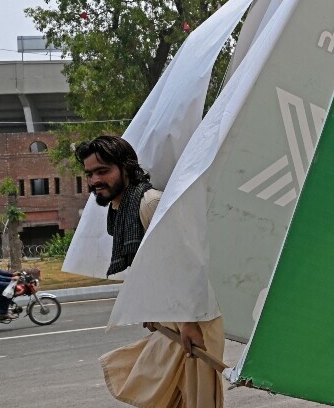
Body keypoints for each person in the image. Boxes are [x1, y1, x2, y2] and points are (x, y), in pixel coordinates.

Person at [75, 135, 225, 408]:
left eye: (103, 171)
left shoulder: (149, 204)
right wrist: (151, 312)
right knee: (170, 398)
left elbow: (184, 263)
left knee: (200, 400)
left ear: (125, 167)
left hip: (194, 319)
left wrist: (189, 324)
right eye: (89, 174)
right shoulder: (119, 210)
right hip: (170, 319)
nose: (95, 180)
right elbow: (150, 268)